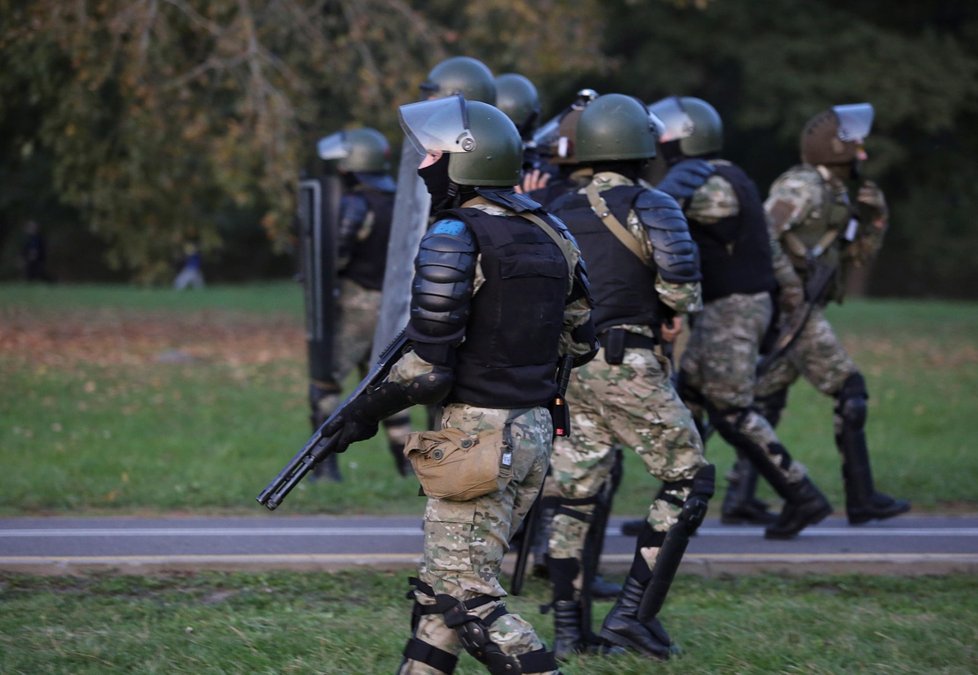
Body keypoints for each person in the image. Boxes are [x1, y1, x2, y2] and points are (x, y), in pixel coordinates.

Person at [320, 94, 597, 675]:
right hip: (535, 430)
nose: (424, 167)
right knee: (439, 595)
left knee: (466, 599)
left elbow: (427, 368)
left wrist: (361, 413)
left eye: (432, 156)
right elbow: (580, 340)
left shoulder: (454, 233)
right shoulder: (551, 229)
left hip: (477, 436)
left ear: (463, 161)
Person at [543, 93, 713, 661]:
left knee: (572, 498)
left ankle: (570, 633)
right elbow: (681, 291)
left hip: (567, 368)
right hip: (629, 363)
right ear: (643, 148)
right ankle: (632, 616)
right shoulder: (653, 203)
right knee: (689, 478)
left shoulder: (556, 208)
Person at [649, 95, 833, 538]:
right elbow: (769, 248)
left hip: (731, 308)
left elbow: (653, 218)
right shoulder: (732, 174)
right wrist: (787, 298)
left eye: (664, 135)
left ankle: (802, 494)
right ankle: (676, 509)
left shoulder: (707, 187)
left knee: (731, 410)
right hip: (741, 305)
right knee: (689, 396)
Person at [755, 103, 910, 526]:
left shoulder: (841, 193)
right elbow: (762, 233)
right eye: (855, 144)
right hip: (793, 311)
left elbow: (855, 257)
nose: (862, 152)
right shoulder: (801, 187)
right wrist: (789, 287)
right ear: (835, 148)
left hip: (803, 307)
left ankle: (739, 497)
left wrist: (876, 218)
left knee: (761, 401)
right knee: (851, 390)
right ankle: (861, 499)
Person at [309, 127, 413, 481]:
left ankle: (324, 467)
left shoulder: (357, 204)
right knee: (391, 388)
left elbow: (334, 258)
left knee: (325, 384)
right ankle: (407, 469)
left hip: (357, 306)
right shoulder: (402, 200)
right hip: (397, 306)